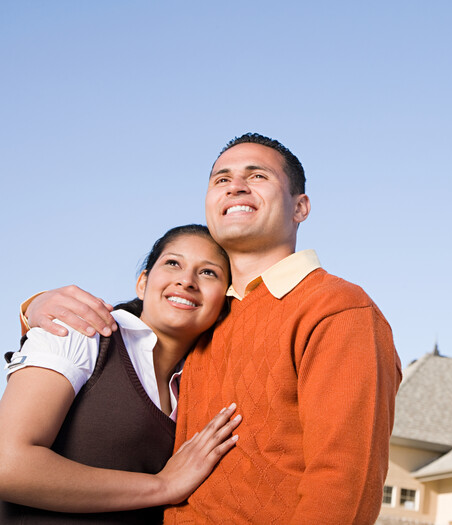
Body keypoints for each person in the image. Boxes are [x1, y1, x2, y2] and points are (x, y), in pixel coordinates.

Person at [22, 134, 403, 524]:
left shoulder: (338, 308)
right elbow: (138, 329)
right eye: (221, 179)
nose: (235, 185)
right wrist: (35, 306)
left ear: (300, 207)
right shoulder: (210, 320)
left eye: (258, 176)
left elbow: (343, 484)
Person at [1, 224, 242, 524]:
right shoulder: (83, 331)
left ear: (224, 303)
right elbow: (7, 465)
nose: (186, 281)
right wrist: (163, 486)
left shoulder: (202, 388)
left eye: (209, 272)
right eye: (172, 263)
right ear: (142, 283)